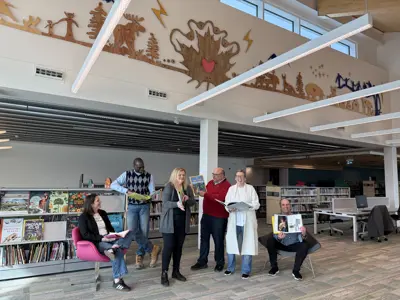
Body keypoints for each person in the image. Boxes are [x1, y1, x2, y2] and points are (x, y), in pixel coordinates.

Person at [111, 157, 161, 269]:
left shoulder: (149, 176)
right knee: (132, 231)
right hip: (132, 207)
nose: (142, 169)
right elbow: (113, 185)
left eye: (143, 167)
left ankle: (140, 256)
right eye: (139, 167)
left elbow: (152, 191)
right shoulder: (127, 174)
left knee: (144, 232)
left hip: (144, 206)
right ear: (134, 166)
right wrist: (126, 191)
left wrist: (150, 196)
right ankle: (153, 249)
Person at [78, 194, 134, 291]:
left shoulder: (103, 213)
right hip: (98, 242)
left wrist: (114, 235)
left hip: (110, 238)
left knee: (130, 233)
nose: (100, 202)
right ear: (91, 204)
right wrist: (102, 238)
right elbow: (85, 234)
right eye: (97, 201)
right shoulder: (83, 217)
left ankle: (115, 246)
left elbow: (110, 227)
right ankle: (117, 281)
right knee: (118, 252)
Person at [159, 168, 196, 287]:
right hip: (169, 223)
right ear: (175, 175)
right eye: (180, 175)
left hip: (182, 222)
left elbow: (192, 202)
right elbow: (165, 203)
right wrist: (176, 204)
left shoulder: (187, 187)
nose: (182, 177)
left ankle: (176, 271)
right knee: (169, 247)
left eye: (184, 175)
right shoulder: (169, 186)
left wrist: (187, 199)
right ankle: (164, 273)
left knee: (178, 248)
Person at [191, 167, 231, 272]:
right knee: (204, 239)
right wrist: (197, 191)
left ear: (223, 175)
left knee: (218, 240)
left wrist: (206, 194)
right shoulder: (209, 183)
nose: (214, 176)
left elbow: (220, 198)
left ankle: (219, 262)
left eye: (216, 174)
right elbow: (208, 195)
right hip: (206, 216)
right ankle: (202, 261)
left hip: (219, 217)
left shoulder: (227, 186)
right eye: (213, 174)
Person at [224, 169, 260, 279]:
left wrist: (247, 206)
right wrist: (230, 209)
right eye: (237, 176)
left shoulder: (250, 189)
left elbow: (256, 204)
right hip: (234, 221)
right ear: (235, 178)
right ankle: (230, 268)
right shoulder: (231, 189)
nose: (239, 178)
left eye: (241, 176)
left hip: (247, 221)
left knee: (248, 245)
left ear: (245, 178)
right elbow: (226, 204)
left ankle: (246, 270)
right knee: (231, 244)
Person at [266, 198, 309, 281]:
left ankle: (296, 271)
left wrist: (304, 233)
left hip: (294, 244)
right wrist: (278, 237)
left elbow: (303, 236)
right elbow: (275, 234)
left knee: (304, 245)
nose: (285, 206)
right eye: (283, 205)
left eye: (287, 204)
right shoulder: (277, 218)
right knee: (270, 240)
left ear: (290, 206)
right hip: (281, 243)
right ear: (280, 207)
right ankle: (274, 267)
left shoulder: (297, 218)